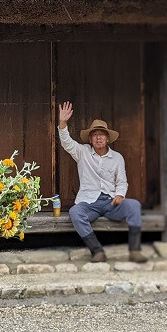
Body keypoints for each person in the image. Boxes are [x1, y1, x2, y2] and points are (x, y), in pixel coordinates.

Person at [57, 101, 148, 263]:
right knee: (75, 212)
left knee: (134, 206)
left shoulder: (117, 158)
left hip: (110, 202)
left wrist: (120, 194)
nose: (98, 138)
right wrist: (63, 123)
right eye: (95, 135)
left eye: (102, 134)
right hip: (88, 202)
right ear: (90, 139)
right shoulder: (82, 152)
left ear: (107, 139)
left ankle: (135, 250)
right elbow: (67, 142)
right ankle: (97, 250)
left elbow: (122, 181)